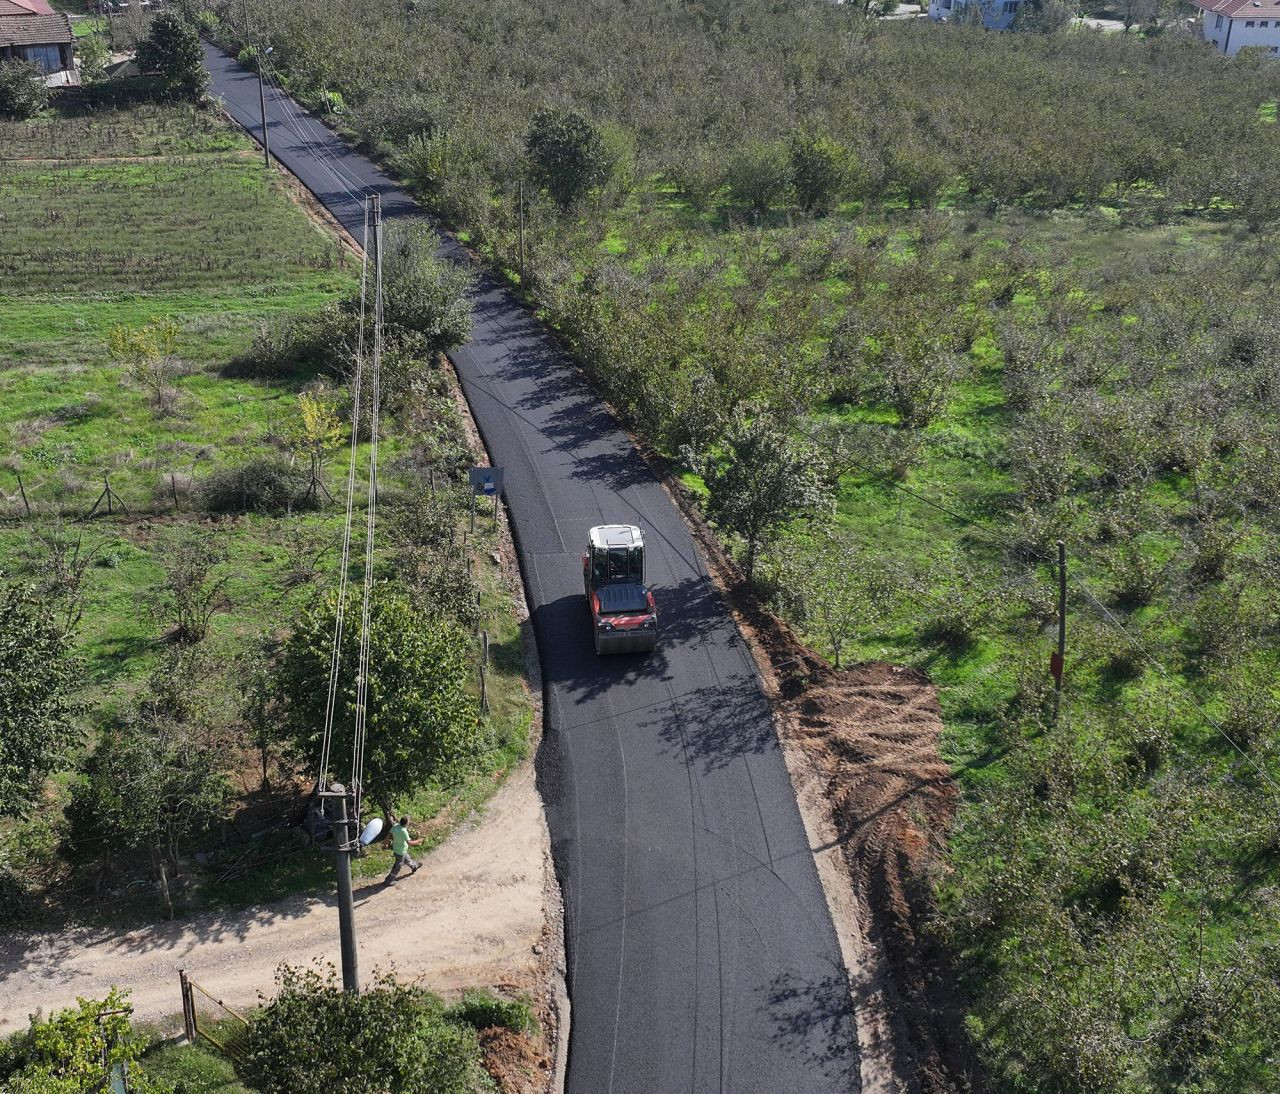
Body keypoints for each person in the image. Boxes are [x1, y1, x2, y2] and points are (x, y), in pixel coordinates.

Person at [385, 815, 422, 883]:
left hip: (397, 849)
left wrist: (386, 843)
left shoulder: (395, 826)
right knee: (397, 866)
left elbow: (389, 834)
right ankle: (389, 880)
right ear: (406, 823)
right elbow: (410, 843)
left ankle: (414, 866)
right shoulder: (403, 831)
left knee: (407, 859)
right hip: (400, 852)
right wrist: (418, 841)